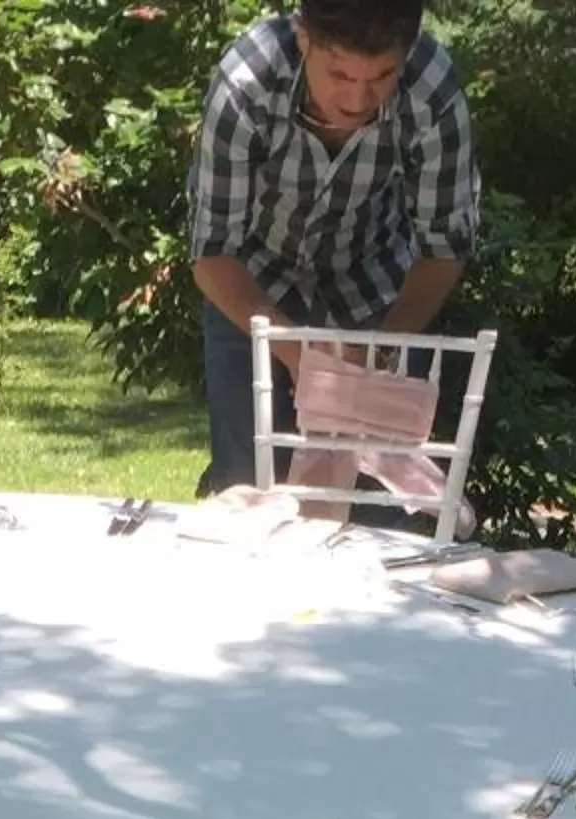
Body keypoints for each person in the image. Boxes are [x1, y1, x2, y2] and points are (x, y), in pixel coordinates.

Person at [184, 2, 481, 498]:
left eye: (382, 75)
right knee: (248, 488)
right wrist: (293, 349)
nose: (358, 98)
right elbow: (212, 253)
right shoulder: (245, 83)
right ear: (304, 38)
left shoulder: (435, 91)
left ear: (406, 53)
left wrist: (382, 346)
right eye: (339, 73)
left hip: (378, 291)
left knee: (378, 504)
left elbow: (445, 248)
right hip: (252, 287)